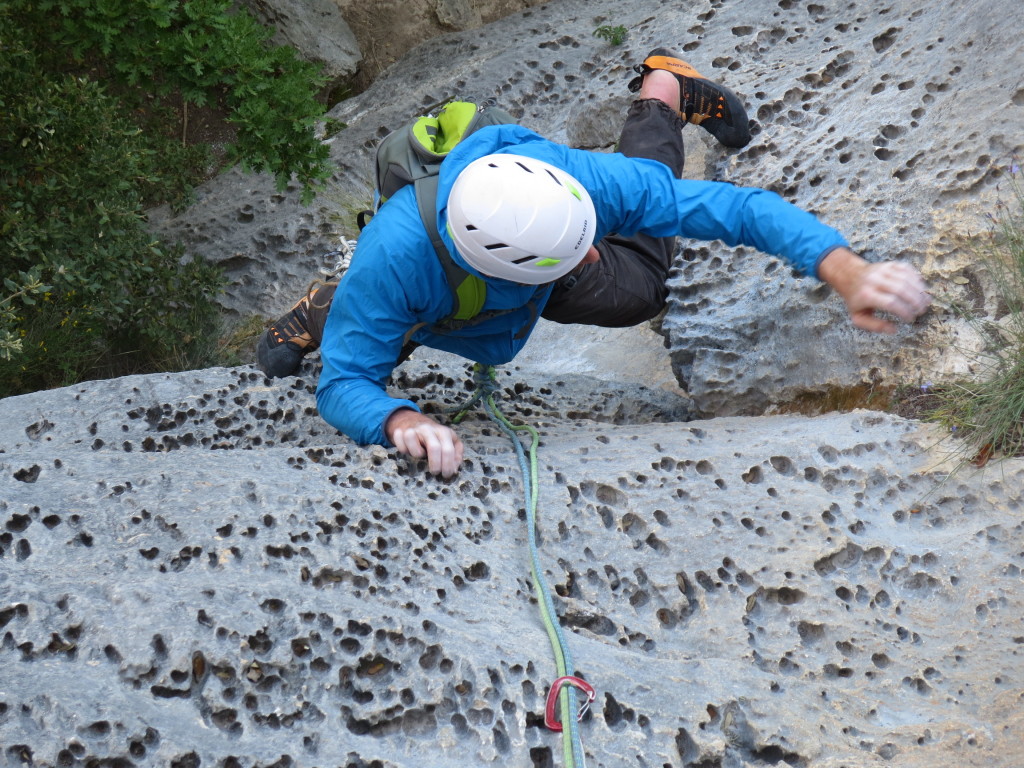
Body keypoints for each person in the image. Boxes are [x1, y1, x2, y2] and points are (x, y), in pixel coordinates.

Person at [257, 48, 931, 478]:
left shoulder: (564, 183)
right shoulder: (399, 263)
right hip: (424, 283)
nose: (589, 254)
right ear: (509, 277)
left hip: (492, 250)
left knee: (639, 287)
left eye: (585, 238)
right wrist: (400, 421)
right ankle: (333, 308)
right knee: (388, 331)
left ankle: (661, 91)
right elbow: (344, 384)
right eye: (572, 255)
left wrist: (847, 271)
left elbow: (738, 209)